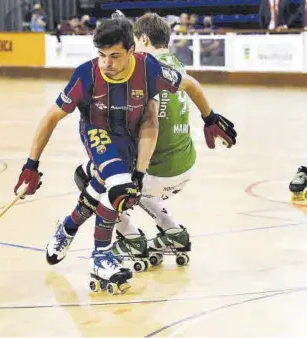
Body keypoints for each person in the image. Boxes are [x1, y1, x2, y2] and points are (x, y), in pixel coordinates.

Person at [14, 15, 235, 294]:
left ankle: (67, 229)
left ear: (132, 50)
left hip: (130, 139)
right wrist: (31, 165)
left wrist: (210, 117)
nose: (107, 63)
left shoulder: (149, 69)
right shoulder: (86, 74)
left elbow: (187, 86)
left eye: (115, 56)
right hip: (97, 132)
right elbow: (50, 118)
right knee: (120, 188)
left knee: (99, 187)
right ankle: (100, 258)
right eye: (102, 55)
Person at [75, 13, 237, 271]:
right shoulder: (177, 67)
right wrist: (210, 118)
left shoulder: (143, 68)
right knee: (137, 171)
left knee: (92, 174)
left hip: (157, 173)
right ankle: (172, 231)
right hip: (186, 166)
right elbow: (193, 87)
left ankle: (130, 238)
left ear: (144, 40)